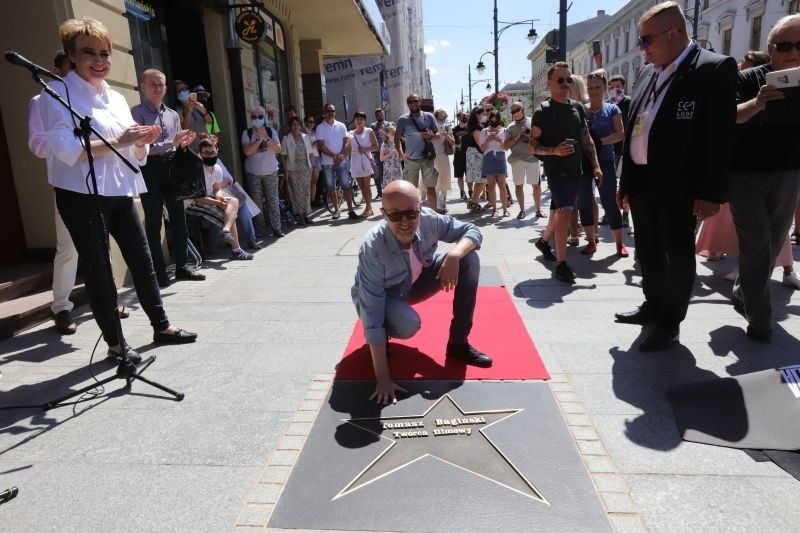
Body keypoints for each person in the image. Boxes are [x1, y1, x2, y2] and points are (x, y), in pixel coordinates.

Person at [39, 17, 198, 364]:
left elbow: (133, 153)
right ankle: (115, 343)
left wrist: (142, 142)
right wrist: (119, 140)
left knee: (142, 260)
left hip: (120, 189)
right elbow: (65, 148)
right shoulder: (56, 94)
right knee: (98, 270)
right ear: (71, 54)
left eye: (105, 53)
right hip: (81, 194)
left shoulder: (113, 96)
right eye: (89, 53)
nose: (100, 60)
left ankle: (161, 325)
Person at [615, 1, 738, 351]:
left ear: (674, 32)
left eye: (645, 40)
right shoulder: (648, 72)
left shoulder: (713, 69)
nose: (642, 48)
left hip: (681, 185)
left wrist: (712, 191)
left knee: (678, 254)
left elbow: (720, 135)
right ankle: (652, 304)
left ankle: (671, 322)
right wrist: (627, 182)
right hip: (643, 181)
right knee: (649, 251)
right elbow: (634, 129)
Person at [351, 180, 493, 405]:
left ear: (420, 207)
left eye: (411, 213)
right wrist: (383, 379)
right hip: (383, 295)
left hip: (415, 281)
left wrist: (454, 255)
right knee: (408, 324)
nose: (405, 222)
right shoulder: (373, 249)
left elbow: (472, 231)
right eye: (396, 216)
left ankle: (458, 343)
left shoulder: (430, 220)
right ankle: (384, 339)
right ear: (384, 214)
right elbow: (372, 309)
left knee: (470, 259)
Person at [729, 13, 800, 341]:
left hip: (788, 173)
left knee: (771, 245)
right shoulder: (748, 78)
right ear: (771, 48)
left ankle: (745, 288)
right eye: (785, 45)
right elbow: (728, 120)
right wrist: (757, 103)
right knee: (757, 243)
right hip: (746, 175)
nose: (793, 52)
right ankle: (761, 321)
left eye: (799, 45)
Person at [131, 69, 206, 287]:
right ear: (143, 86)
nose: (157, 88)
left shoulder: (173, 114)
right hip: (150, 169)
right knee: (154, 222)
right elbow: (141, 146)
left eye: (161, 85)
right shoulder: (136, 114)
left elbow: (176, 143)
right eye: (152, 84)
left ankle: (182, 266)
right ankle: (159, 270)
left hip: (173, 168)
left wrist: (183, 142)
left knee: (179, 219)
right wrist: (172, 142)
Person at [530, 62, 602, 283]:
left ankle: (543, 242)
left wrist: (597, 165)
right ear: (549, 83)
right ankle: (562, 264)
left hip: (575, 169)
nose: (565, 84)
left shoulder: (577, 108)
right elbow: (533, 146)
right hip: (556, 170)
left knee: (561, 211)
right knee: (565, 212)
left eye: (568, 80)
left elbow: (586, 138)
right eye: (560, 80)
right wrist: (554, 151)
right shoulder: (543, 111)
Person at [27, 50, 79, 334]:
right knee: (68, 247)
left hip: (97, 183)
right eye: (70, 68)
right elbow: (37, 144)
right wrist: (65, 143)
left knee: (103, 247)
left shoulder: (91, 100)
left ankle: (105, 300)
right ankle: (61, 307)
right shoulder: (41, 100)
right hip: (67, 182)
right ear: (57, 71)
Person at [578, 70, 628, 258]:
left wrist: (601, 141)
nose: (593, 90)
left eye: (597, 87)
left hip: (606, 161)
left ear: (605, 88)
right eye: (590, 87)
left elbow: (621, 133)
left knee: (609, 202)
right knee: (584, 202)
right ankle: (591, 241)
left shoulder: (612, 109)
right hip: (584, 162)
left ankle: (619, 244)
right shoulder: (581, 109)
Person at [188, 138, 253, 260]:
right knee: (229, 214)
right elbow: (198, 198)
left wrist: (220, 198)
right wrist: (217, 202)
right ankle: (236, 250)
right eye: (206, 153)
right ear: (201, 154)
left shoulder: (217, 168)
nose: (209, 155)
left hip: (210, 197)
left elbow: (216, 189)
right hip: (194, 202)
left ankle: (226, 230)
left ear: (217, 151)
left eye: (212, 152)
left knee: (233, 202)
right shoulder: (197, 169)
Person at [242, 105, 284, 237]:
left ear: (264, 118)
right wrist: (258, 140)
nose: (257, 119)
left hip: (271, 171)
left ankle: (276, 228)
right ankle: (260, 230)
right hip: (254, 173)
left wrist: (265, 138)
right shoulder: (247, 133)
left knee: (273, 201)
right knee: (257, 202)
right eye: (254, 117)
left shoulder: (271, 131)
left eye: (260, 116)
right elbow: (247, 152)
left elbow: (278, 149)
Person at [395, 93, 439, 209]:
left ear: (420, 102)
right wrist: (400, 152)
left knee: (431, 187)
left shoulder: (429, 116)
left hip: (427, 157)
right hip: (410, 159)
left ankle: (433, 214)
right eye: (410, 102)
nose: (413, 104)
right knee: (410, 189)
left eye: (415, 101)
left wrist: (430, 136)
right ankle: (413, 212)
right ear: (407, 104)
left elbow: (438, 134)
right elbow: (396, 137)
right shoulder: (402, 119)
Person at [316, 103, 357, 220]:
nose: (330, 113)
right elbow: (320, 146)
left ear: (334, 112)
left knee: (346, 186)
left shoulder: (342, 126)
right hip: (327, 163)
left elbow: (347, 143)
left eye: (332, 110)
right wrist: (334, 156)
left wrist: (341, 156)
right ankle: (336, 210)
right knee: (331, 187)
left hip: (342, 162)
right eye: (328, 111)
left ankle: (350, 210)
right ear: (324, 112)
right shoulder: (320, 128)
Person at [504, 101, 544, 220]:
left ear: (523, 109)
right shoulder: (510, 127)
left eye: (517, 110)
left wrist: (528, 137)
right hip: (517, 160)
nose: (515, 113)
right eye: (513, 112)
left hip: (533, 158)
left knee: (536, 186)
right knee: (518, 186)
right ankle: (522, 210)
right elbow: (505, 146)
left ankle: (538, 210)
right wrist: (517, 137)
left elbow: (540, 139)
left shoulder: (532, 122)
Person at [607, 74, 632, 228]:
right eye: (612, 87)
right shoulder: (607, 105)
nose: (615, 90)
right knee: (610, 184)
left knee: (625, 182)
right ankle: (609, 212)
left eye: (618, 87)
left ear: (623, 87)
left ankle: (625, 215)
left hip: (625, 149)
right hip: (611, 149)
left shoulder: (630, 102)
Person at [280, 116, 314, 224]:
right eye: (294, 124)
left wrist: (312, 166)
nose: (296, 126)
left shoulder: (305, 137)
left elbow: (311, 153)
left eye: (298, 124)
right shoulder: (287, 138)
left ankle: (307, 214)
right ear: (291, 126)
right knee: (296, 192)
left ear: (300, 126)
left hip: (305, 167)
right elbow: (283, 156)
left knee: (306, 192)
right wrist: (285, 170)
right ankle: (300, 215)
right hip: (293, 169)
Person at [479, 109, 509, 217]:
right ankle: (494, 209)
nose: (494, 121)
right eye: (492, 118)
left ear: (499, 119)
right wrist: (488, 139)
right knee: (491, 185)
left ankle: (505, 209)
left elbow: (505, 148)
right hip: (488, 157)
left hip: (500, 157)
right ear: (489, 119)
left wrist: (500, 141)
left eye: (496, 119)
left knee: (502, 184)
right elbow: (482, 148)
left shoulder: (505, 131)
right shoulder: (484, 131)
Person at [348, 111, 379, 217]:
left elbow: (376, 146)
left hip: (366, 161)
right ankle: (369, 207)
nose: (359, 121)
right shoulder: (350, 133)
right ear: (355, 121)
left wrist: (365, 149)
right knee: (361, 187)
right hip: (355, 161)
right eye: (357, 119)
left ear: (364, 121)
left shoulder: (369, 131)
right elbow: (347, 148)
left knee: (367, 186)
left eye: (361, 119)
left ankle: (367, 208)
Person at [173, 79, 211, 150]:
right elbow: (184, 128)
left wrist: (203, 111)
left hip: (205, 145)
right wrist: (189, 111)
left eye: (184, 89)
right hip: (192, 149)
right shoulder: (178, 110)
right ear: (176, 94)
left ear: (189, 91)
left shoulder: (198, 104)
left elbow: (209, 122)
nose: (183, 91)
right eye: (179, 90)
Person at [464, 106, 487, 212]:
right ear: (477, 114)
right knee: (481, 180)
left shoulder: (476, 126)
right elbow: (480, 143)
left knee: (481, 180)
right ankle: (474, 202)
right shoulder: (476, 127)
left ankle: (474, 201)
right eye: (482, 113)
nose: (485, 115)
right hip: (477, 154)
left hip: (475, 153)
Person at [431, 108, 455, 213]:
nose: (442, 114)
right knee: (434, 181)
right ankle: (436, 205)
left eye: (444, 113)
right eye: (440, 113)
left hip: (444, 155)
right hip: (432, 156)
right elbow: (428, 139)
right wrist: (435, 134)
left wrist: (446, 135)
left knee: (444, 180)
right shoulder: (431, 124)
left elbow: (453, 142)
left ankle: (444, 204)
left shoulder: (448, 126)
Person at [369, 108, 388, 200]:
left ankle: (387, 191)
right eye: (377, 115)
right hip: (376, 153)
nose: (379, 116)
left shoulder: (388, 124)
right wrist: (377, 132)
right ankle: (379, 192)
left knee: (386, 172)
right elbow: (370, 137)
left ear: (384, 114)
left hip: (386, 153)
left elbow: (392, 136)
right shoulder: (372, 125)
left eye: (381, 115)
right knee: (377, 172)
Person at [452, 112, 470, 200]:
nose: (465, 117)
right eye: (463, 116)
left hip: (469, 154)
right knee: (460, 175)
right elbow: (452, 142)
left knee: (469, 175)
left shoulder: (470, 128)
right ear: (458, 118)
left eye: (466, 115)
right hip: (458, 155)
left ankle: (471, 191)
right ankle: (462, 191)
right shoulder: (454, 129)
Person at [379, 123, 403, 187]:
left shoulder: (397, 143)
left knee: (398, 188)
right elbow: (381, 158)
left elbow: (401, 158)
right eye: (390, 131)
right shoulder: (384, 144)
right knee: (389, 188)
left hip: (396, 169)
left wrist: (399, 153)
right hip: (388, 170)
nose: (392, 134)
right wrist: (390, 154)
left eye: (393, 132)